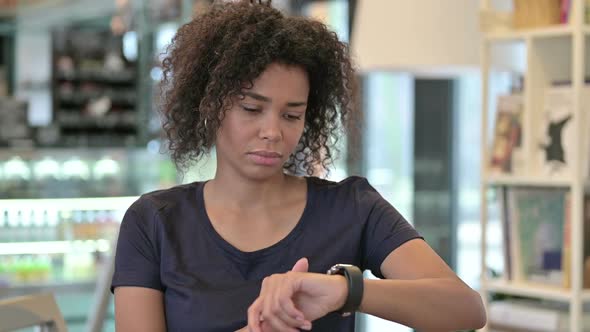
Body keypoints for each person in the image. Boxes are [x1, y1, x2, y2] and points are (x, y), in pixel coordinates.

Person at [111, 1, 487, 331]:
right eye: (251, 109)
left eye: (292, 115)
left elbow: (466, 310)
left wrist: (345, 290)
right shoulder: (155, 224)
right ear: (208, 107)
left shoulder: (353, 208)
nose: (272, 131)